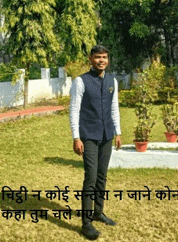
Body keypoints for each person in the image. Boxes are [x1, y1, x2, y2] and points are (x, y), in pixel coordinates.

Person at [69, 45, 122, 240]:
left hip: (107, 135)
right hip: (89, 136)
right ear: (90, 59)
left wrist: (118, 132)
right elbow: (74, 110)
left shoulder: (112, 81)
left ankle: (98, 212)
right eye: (98, 57)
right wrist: (76, 137)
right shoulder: (80, 82)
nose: (102, 60)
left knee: (102, 176)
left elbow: (114, 108)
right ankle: (86, 223)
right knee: (90, 178)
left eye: (105, 57)